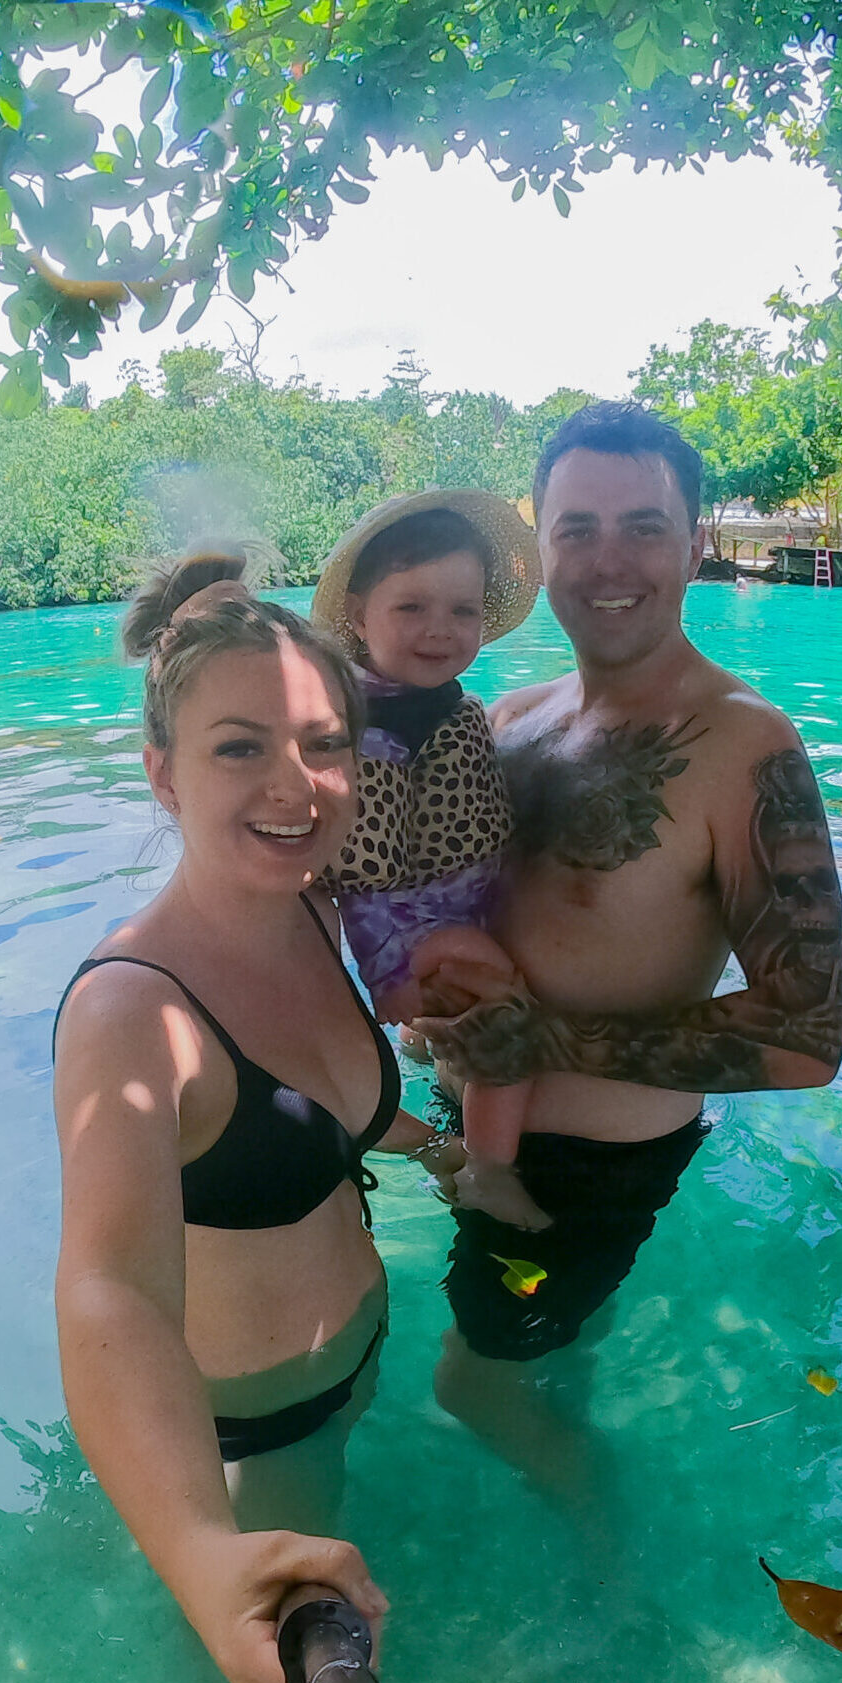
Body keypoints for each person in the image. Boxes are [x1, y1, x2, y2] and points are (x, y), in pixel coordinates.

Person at [417, 401, 842, 1506]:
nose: (610, 561)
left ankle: (607, 1560)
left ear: (696, 543)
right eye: (578, 529)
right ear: (541, 545)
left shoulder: (743, 745)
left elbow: (808, 1039)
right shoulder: (507, 719)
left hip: (583, 1185)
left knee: (475, 1390)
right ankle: (581, 1401)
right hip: (468, 1134)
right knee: (544, 1356)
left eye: (644, 526)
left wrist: (544, 1041)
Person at [51, 559, 448, 1683]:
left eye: (325, 745)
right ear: (162, 778)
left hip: (357, 1357)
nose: (298, 784)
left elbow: (330, 1107)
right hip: (252, 1427)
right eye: (241, 748)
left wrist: (442, 1154)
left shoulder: (312, 910)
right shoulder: (133, 1013)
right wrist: (194, 1549)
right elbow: (108, 1289)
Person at [311, 491, 552, 1229]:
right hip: (413, 936)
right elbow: (363, 864)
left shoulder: (435, 705)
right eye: (411, 608)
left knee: (468, 1014)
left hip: (432, 921)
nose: (438, 631)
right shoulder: (361, 724)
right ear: (358, 614)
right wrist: (403, 971)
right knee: (514, 1024)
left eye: (462, 612)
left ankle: (422, 1045)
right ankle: (488, 1169)